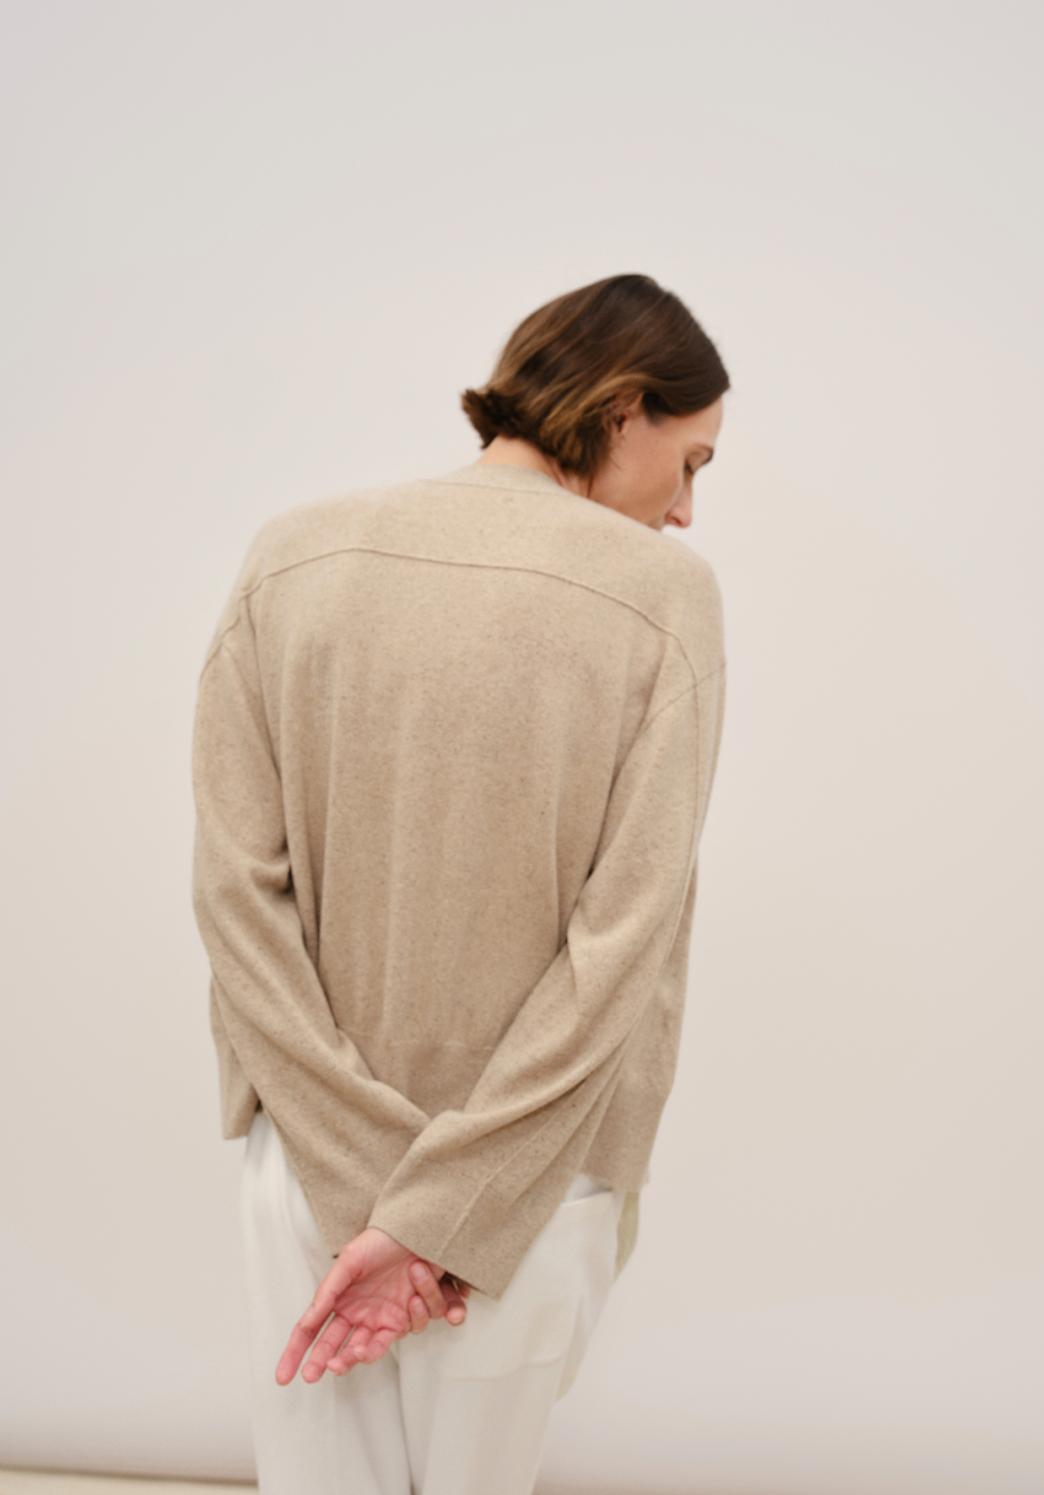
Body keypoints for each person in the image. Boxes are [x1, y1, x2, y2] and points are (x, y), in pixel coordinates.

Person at [191, 272, 730, 1495]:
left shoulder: (290, 555)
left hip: (306, 1164)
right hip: (529, 1180)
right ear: (623, 409)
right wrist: (445, 1206)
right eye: (690, 461)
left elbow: (234, 897)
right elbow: (625, 940)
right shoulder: (665, 597)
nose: (687, 509)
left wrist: (358, 1172)